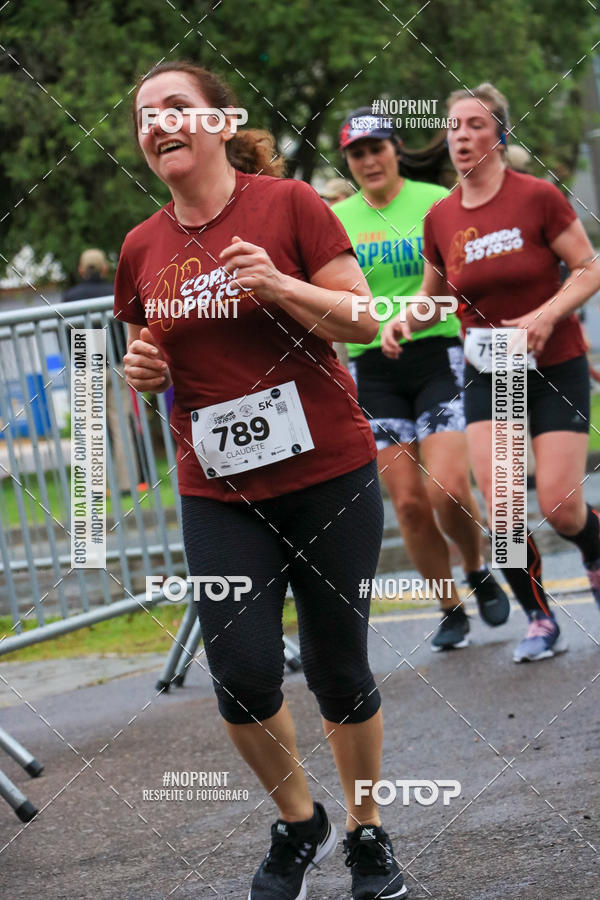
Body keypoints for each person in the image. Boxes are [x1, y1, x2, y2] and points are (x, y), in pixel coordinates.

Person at [115, 61, 407, 900]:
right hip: (219, 488)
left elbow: (361, 316)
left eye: (176, 107)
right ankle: (297, 820)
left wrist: (277, 283)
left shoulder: (288, 207)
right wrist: (140, 369)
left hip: (327, 472)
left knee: (336, 666)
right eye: (144, 116)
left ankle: (365, 830)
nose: (158, 123)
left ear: (218, 121)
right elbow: (145, 355)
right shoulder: (142, 247)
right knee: (240, 672)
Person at [382, 82, 600, 662]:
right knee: (502, 508)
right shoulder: (441, 217)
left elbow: (586, 267)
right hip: (489, 370)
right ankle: (540, 619)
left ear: (500, 135)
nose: (461, 137)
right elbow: (434, 295)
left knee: (559, 505)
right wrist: (404, 320)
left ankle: (595, 551)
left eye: (475, 125)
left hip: (555, 360)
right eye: (453, 127)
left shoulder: (538, 198)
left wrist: (547, 315)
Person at [333, 107, 509, 652]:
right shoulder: (337, 218)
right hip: (373, 368)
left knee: (448, 488)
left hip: (438, 355)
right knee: (407, 503)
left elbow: (461, 276)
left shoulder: (434, 200)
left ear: (396, 148)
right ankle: (448, 606)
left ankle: (476, 567)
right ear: (348, 161)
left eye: (377, 147)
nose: (369, 160)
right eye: (357, 153)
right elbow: (331, 294)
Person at [63, 249, 141, 496]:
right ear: (106, 269)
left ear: (81, 271)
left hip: (88, 367)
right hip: (116, 363)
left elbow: (67, 334)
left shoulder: (69, 297)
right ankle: (128, 484)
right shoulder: (114, 291)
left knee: (90, 429)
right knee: (121, 426)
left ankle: (94, 488)